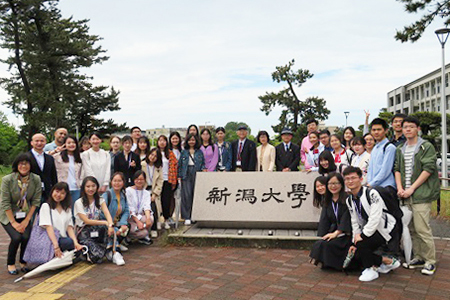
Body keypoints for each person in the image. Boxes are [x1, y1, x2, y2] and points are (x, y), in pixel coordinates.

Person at [394, 116, 439, 275]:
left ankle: (430, 261)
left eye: (411, 127)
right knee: (411, 228)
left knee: (422, 228)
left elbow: (428, 169)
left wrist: (411, 188)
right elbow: (397, 168)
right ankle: (419, 256)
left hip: (420, 194)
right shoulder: (401, 148)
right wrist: (400, 188)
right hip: (405, 195)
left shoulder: (426, 147)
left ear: (417, 129)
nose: (407, 129)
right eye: (405, 127)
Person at [343, 166, 400, 282]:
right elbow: (355, 221)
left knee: (361, 245)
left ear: (361, 178)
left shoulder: (371, 193)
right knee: (356, 248)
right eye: (347, 178)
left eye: (353, 178)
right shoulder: (349, 200)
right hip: (371, 230)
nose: (350, 181)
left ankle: (370, 269)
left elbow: (376, 217)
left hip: (386, 228)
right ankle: (387, 261)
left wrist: (363, 236)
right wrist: (356, 237)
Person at [1, 154, 41, 275]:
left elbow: (36, 201)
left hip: (25, 213)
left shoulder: (36, 179)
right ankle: (11, 263)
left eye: (26, 163)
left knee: (26, 237)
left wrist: (27, 220)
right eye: (20, 163)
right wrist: (13, 222)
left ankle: (23, 261)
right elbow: (5, 202)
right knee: (16, 237)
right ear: (16, 165)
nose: (23, 166)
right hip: (8, 214)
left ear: (30, 165)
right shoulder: (7, 179)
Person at [74, 176, 122, 265]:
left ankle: (113, 252)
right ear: (83, 188)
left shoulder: (100, 200)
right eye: (88, 187)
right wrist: (105, 222)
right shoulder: (78, 203)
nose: (91, 189)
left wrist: (110, 225)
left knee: (111, 230)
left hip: (96, 229)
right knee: (97, 257)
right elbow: (87, 221)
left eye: (93, 186)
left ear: (97, 187)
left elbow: (107, 214)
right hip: (83, 231)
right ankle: (89, 252)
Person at [310, 173, 352, 270]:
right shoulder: (328, 201)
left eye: (336, 183)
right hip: (335, 232)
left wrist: (337, 233)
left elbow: (347, 219)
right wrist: (324, 235)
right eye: (330, 184)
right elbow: (324, 220)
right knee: (321, 243)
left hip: (347, 233)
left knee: (328, 244)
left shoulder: (347, 198)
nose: (333, 186)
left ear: (341, 184)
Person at [39, 182, 83, 258]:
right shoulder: (46, 206)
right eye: (57, 191)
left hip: (62, 239)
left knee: (76, 247)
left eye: (62, 193)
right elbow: (48, 227)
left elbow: (69, 228)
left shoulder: (67, 209)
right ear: (52, 191)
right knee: (68, 242)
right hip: (49, 240)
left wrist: (76, 243)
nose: (58, 195)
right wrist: (56, 247)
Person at [178, 134, 205, 225]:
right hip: (186, 173)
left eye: (193, 140)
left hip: (196, 172)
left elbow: (203, 163)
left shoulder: (199, 152)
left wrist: (203, 170)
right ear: (187, 141)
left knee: (195, 194)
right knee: (186, 195)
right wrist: (179, 175)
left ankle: (195, 215)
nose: (191, 142)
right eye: (190, 140)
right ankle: (187, 217)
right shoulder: (184, 152)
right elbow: (180, 165)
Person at [102, 172, 130, 253]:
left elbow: (126, 210)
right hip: (107, 223)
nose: (117, 183)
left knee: (127, 226)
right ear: (111, 182)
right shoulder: (107, 195)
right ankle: (115, 248)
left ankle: (118, 243)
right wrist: (112, 225)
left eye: (119, 181)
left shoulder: (123, 194)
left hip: (117, 222)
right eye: (115, 181)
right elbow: (102, 213)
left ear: (123, 182)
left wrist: (123, 223)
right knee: (114, 231)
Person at [367, 118, 396, 191]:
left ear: (386, 130)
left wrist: (371, 184)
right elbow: (370, 169)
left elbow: (385, 171)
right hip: (374, 188)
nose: (376, 132)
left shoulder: (390, 147)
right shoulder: (375, 148)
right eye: (374, 130)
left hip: (385, 188)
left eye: (379, 129)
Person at [126, 171, 153, 245]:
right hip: (131, 218)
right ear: (134, 180)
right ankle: (128, 236)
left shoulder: (146, 193)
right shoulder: (128, 191)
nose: (139, 181)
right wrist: (137, 222)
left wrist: (147, 219)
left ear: (144, 180)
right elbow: (130, 208)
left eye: (141, 179)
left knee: (150, 218)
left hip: (140, 215)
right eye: (137, 179)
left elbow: (147, 206)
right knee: (142, 232)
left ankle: (142, 235)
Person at [53, 136, 83, 203]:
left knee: (74, 211)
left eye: (73, 142)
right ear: (64, 144)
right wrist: (55, 151)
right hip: (62, 189)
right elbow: (44, 156)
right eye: (69, 143)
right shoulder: (57, 156)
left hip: (76, 188)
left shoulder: (80, 157)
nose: (71, 144)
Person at [29, 133, 58, 202]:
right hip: (30, 193)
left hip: (47, 192)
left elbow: (53, 176)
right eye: (36, 141)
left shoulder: (50, 158)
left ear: (45, 142)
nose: (39, 143)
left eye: (42, 141)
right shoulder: (26, 157)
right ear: (32, 143)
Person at [142, 148, 164, 238]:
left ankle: (154, 228)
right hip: (144, 190)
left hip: (153, 190)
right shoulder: (142, 164)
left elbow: (160, 181)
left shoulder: (158, 167)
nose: (153, 157)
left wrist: (155, 193)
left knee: (154, 208)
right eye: (151, 155)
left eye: (155, 156)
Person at [157, 135, 178, 229]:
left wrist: (174, 180)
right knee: (157, 202)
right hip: (157, 181)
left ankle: (165, 220)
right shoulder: (155, 153)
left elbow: (174, 166)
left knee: (166, 201)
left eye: (164, 140)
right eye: (160, 140)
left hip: (167, 180)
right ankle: (157, 220)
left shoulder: (170, 153)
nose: (162, 142)